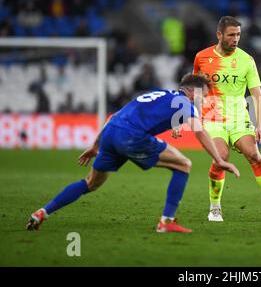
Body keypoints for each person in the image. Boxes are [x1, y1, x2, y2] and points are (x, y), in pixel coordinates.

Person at [26, 74, 240, 233]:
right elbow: (200, 131)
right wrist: (219, 160)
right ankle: (166, 222)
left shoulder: (158, 93)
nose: (204, 100)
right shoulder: (185, 102)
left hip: (111, 133)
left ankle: (42, 212)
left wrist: (96, 145)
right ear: (194, 92)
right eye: (204, 95)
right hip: (131, 136)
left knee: (90, 183)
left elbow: (115, 115)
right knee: (184, 164)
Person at [188, 16, 261, 222]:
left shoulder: (247, 60)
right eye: (231, 35)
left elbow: (258, 97)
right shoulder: (202, 57)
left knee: (254, 155)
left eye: (238, 34)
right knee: (221, 157)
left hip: (239, 119)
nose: (235, 39)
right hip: (213, 118)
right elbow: (197, 91)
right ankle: (215, 208)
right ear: (219, 35)